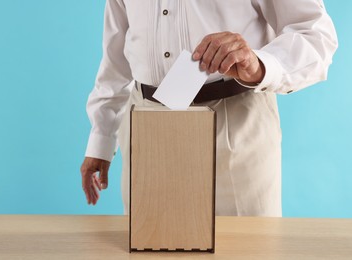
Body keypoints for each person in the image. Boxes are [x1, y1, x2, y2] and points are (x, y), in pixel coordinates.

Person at [80, 0, 338, 216]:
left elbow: (316, 34)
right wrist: (101, 138)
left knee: (247, 249)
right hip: (147, 124)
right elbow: (116, 55)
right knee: (148, 246)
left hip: (235, 126)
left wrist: (258, 65)